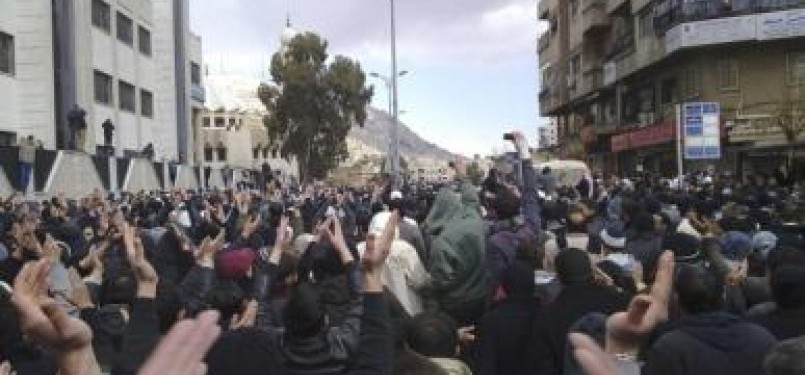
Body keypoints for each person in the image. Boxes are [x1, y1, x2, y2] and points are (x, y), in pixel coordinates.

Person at [642, 264, 777, 375]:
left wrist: (624, 350)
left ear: (677, 299)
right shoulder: (763, 339)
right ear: (723, 296)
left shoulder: (668, 348)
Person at [529, 248, 630, 375]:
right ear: (591, 270)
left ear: (559, 277)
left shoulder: (547, 316)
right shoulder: (621, 301)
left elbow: (544, 366)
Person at [424, 159, 488, 326]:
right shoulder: (473, 217)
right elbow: (472, 199)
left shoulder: (441, 243)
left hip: (456, 304)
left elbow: (441, 282)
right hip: (481, 296)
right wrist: (462, 175)